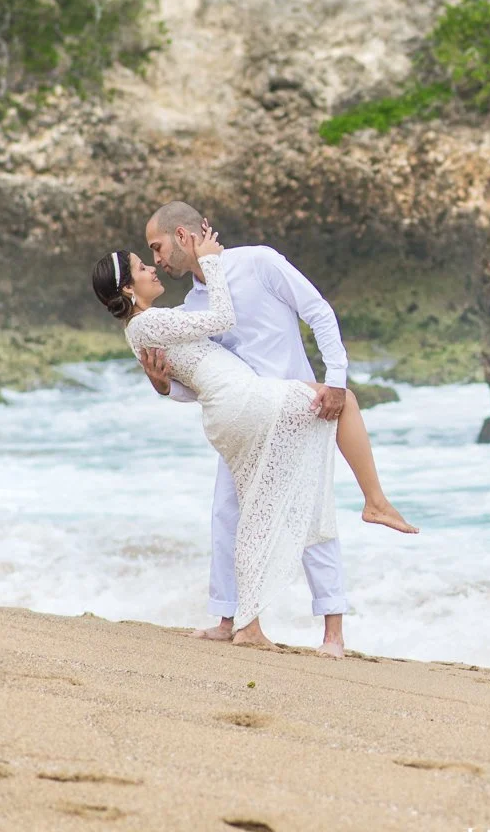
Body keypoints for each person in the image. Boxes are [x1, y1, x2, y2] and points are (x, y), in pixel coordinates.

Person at [112, 203, 414, 653]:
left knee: (310, 511)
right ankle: (229, 619)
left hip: (297, 405)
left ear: (182, 235)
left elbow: (320, 312)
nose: (156, 259)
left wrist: (334, 380)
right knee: (225, 514)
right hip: (247, 418)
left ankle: (333, 635)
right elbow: (207, 378)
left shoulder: (259, 262)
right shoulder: (195, 304)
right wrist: (163, 386)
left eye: (157, 248)